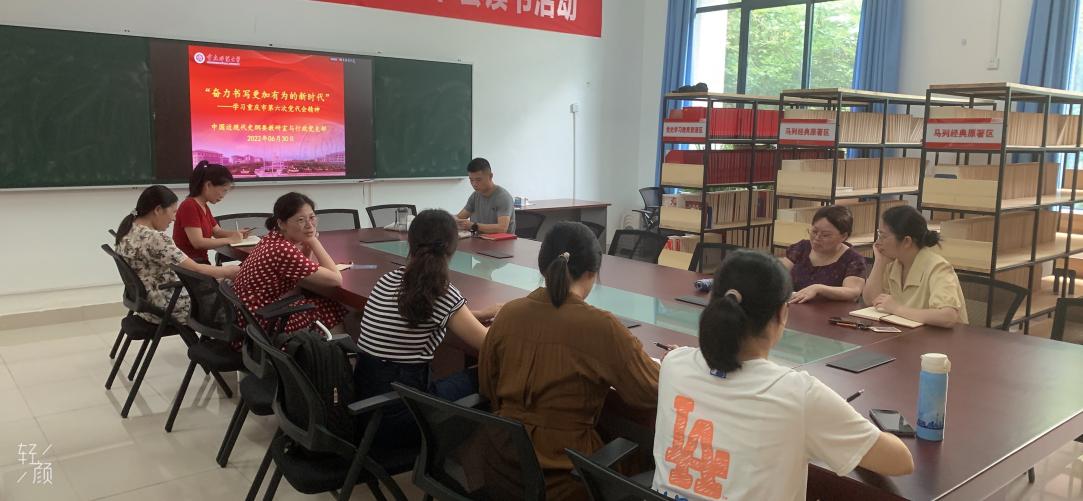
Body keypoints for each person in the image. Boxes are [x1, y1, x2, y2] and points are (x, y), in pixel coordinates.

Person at [652, 250, 914, 501]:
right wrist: (837, 420)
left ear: (712, 302)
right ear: (782, 313)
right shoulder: (798, 394)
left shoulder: (674, 363)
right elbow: (900, 462)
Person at [480, 222, 659, 500]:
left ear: (543, 267)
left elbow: (487, 385)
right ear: (592, 272)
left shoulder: (508, 314)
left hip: (503, 464)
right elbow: (651, 391)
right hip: (568, 476)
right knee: (646, 457)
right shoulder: (602, 327)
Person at [353, 209, 501, 446]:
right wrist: (511, 320)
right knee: (487, 371)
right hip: (404, 415)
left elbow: (426, 315)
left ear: (410, 242)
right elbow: (491, 345)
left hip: (367, 409)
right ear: (453, 247)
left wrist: (480, 314)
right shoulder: (440, 292)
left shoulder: (387, 280)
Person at [114, 185, 239, 324]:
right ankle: (238, 334)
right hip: (171, 306)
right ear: (158, 210)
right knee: (237, 285)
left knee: (224, 281)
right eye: (173, 212)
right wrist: (229, 272)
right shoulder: (155, 239)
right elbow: (197, 269)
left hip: (150, 305)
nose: (174, 219)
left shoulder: (129, 229)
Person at [232, 192, 347, 335]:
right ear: (281, 223)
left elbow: (299, 271)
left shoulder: (272, 239)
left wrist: (307, 246)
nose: (309, 225)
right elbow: (335, 280)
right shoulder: (282, 250)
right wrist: (313, 241)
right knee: (330, 307)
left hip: (250, 321)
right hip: (264, 325)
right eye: (301, 220)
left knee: (320, 301)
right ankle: (339, 349)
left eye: (312, 218)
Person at [863, 205, 968, 328]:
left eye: (883, 236)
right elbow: (870, 301)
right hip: (907, 334)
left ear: (907, 241)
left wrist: (897, 308)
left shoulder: (938, 267)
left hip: (941, 338)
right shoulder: (893, 263)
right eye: (879, 235)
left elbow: (947, 317)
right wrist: (879, 262)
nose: (877, 242)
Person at [781, 205, 867, 303]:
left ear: (843, 236)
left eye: (825, 235)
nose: (817, 238)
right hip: (796, 307)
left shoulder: (853, 259)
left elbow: (853, 292)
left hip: (833, 311)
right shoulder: (801, 248)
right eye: (814, 231)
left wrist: (819, 289)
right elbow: (779, 274)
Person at [173, 161, 249, 263]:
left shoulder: (203, 206)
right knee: (241, 271)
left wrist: (237, 234)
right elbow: (198, 242)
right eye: (224, 190)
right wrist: (231, 239)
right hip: (191, 266)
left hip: (200, 263)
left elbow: (217, 232)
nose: (223, 196)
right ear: (208, 185)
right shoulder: (189, 206)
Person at [455, 157, 517, 235]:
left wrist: (473, 226)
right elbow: (460, 217)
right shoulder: (475, 195)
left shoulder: (503, 197)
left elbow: (502, 228)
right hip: (480, 240)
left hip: (502, 242)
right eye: (471, 180)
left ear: (490, 176)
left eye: (478, 180)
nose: (474, 184)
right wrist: (451, 219)